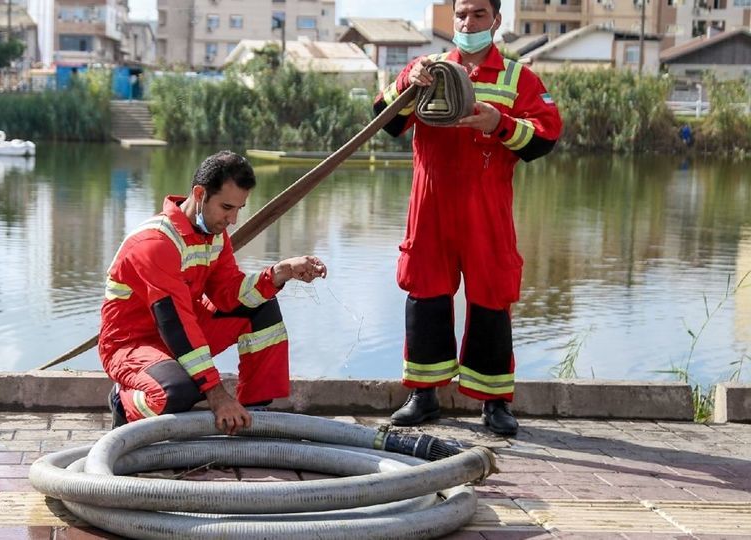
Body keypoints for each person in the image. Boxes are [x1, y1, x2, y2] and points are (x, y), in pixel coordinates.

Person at [373, 0, 562, 436]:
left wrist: (501, 122)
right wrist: (405, 82)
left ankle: (494, 402)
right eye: (461, 14)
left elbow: (545, 137)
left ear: (496, 20)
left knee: (492, 295)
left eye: (478, 14)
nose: (468, 22)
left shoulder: (519, 78)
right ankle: (424, 395)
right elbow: (383, 121)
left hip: (486, 205)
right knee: (424, 292)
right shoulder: (428, 68)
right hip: (431, 203)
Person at [98, 150, 328, 435]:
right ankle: (123, 401)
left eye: (238, 209)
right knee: (180, 391)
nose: (232, 220)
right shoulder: (155, 242)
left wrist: (279, 273)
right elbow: (176, 325)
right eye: (226, 207)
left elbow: (228, 294)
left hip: (176, 332)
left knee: (262, 308)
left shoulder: (214, 235)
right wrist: (217, 395)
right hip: (131, 344)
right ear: (199, 194)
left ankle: (252, 417)